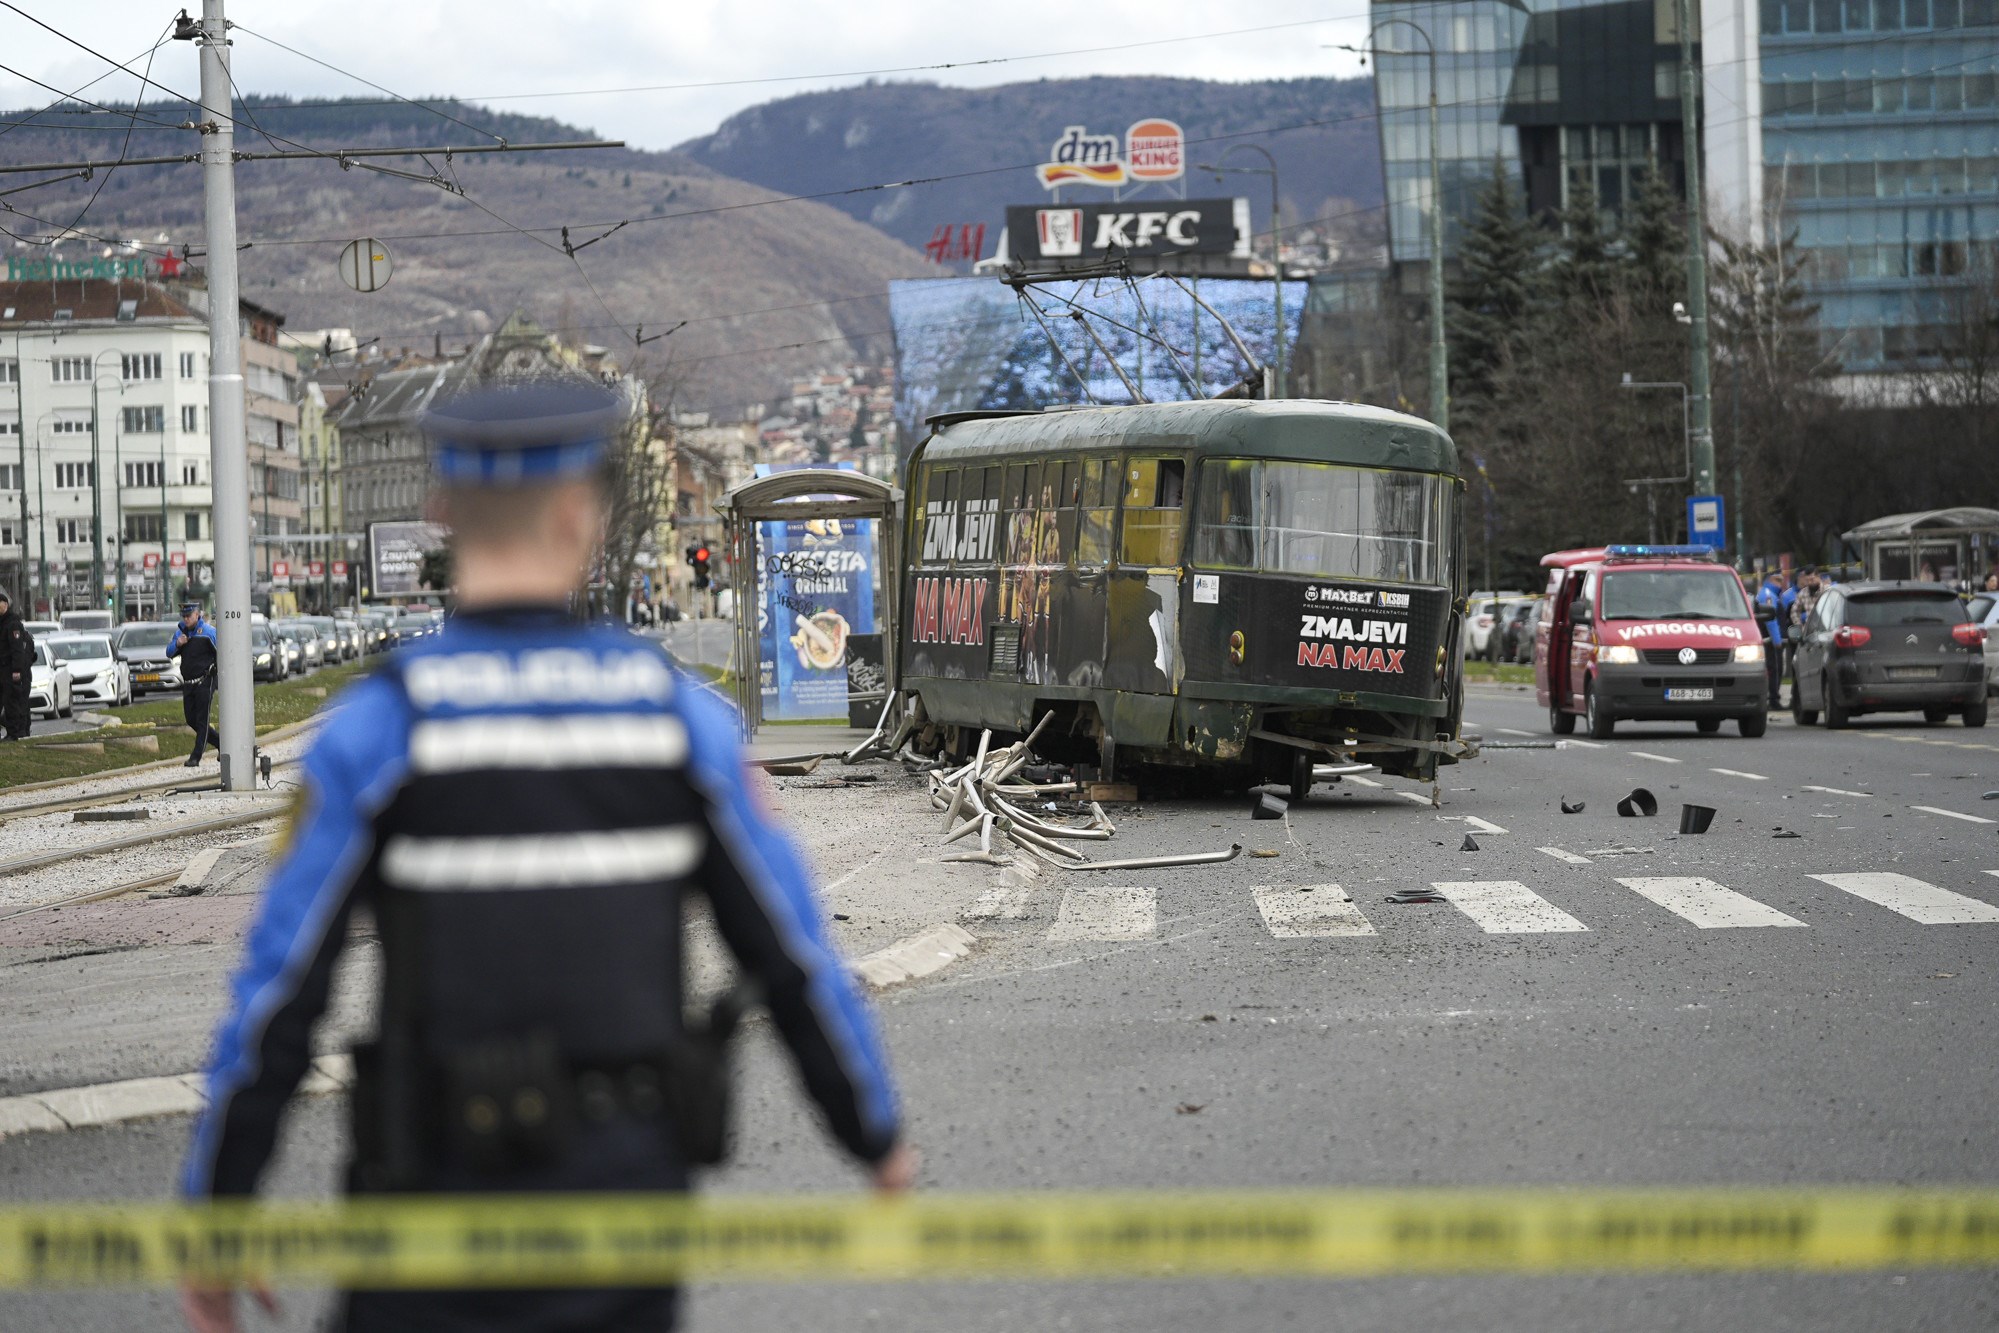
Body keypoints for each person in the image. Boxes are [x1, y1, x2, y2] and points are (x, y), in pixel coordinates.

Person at [179, 381, 912, 1333]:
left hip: (427, 1212)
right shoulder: (673, 722)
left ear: (441, 514)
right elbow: (792, 951)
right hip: (622, 1215)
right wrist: (873, 1134)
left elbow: (278, 993)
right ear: (583, 519)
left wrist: (219, 1206)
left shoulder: (380, 729)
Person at [167, 602, 222, 767]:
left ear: (197, 615)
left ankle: (196, 756)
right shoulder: (181, 633)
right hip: (189, 683)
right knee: (191, 719)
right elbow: (169, 652)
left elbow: (222, 653)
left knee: (202, 720)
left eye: (188, 616)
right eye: (183, 616)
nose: (186, 619)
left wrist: (215, 669)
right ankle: (221, 743)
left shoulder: (209, 633)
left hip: (205, 680)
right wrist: (178, 644)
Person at [0, 589, 32, 741]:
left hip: (9, 670)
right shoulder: (3, 623)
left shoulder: (12, 624)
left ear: (5, 604)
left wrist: (16, 671)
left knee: (12, 702)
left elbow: (17, 650)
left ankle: (15, 733)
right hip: (2, 670)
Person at [1755, 569, 1788, 709]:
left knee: (1776, 669)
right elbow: (1771, 620)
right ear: (1769, 580)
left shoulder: (1770, 594)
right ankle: (1773, 699)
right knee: (1774, 668)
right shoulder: (1768, 595)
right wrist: (1777, 641)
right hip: (1770, 641)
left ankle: (1774, 697)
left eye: (1782, 580)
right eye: (1777, 580)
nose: (1781, 584)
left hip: (1771, 640)